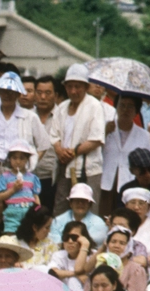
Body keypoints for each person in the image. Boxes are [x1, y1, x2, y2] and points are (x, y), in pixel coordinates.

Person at [50, 64, 106, 215]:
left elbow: (96, 139)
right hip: (65, 165)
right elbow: (54, 135)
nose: (73, 91)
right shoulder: (62, 107)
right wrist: (60, 151)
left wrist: (73, 152)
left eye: (77, 86)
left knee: (87, 209)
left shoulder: (94, 106)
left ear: (86, 87)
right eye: (70, 87)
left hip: (87, 167)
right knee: (61, 207)